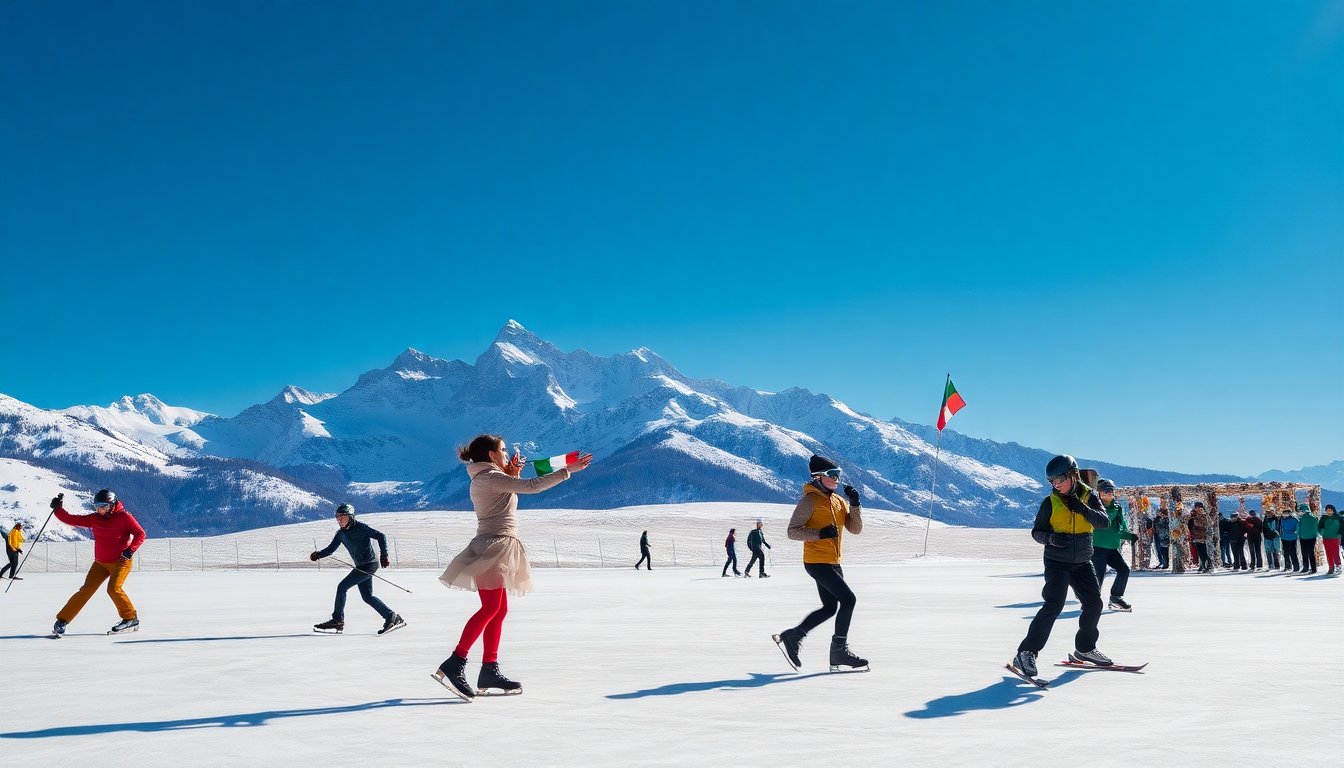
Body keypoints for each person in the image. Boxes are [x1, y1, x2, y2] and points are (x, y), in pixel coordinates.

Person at [433, 434, 592, 701]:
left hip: (499, 546)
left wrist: (512, 473)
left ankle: (489, 669)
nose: (507, 454)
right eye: (503, 450)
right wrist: (567, 470)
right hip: (493, 547)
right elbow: (532, 486)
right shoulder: (489, 477)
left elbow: (507, 494)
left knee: (498, 609)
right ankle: (455, 661)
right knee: (491, 608)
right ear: (491, 455)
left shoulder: (490, 477)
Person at [1010, 455, 1112, 679]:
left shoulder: (1089, 497)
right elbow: (1037, 532)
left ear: (1073, 475)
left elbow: (1104, 522)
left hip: (1082, 562)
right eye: (1052, 482)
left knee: (1094, 603)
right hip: (1057, 562)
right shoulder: (1049, 503)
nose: (1056, 485)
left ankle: (1085, 648)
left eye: (1060, 480)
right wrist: (1051, 539)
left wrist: (1081, 507)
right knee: (1054, 605)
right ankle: (1026, 652)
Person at [773, 454, 866, 671]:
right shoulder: (809, 502)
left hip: (833, 562)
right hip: (816, 562)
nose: (836, 479)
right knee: (849, 600)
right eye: (832, 475)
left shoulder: (838, 501)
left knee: (830, 607)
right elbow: (792, 531)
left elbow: (855, 529)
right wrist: (820, 534)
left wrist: (855, 504)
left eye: (838, 475)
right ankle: (839, 651)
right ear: (818, 477)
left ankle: (793, 636)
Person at [50, 490, 145, 636]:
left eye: (103, 506)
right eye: (97, 506)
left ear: (112, 505)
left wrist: (130, 550)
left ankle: (130, 618)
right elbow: (71, 519)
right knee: (86, 590)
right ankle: (62, 621)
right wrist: (58, 509)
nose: (100, 509)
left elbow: (140, 534)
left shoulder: (124, 517)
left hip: (121, 561)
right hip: (100, 563)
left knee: (113, 589)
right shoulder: (95, 518)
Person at [309, 504, 403, 635]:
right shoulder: (340, 534)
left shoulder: (361, 527)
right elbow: (330, 549)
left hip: (369, 565)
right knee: (367, 597)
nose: (340, 520)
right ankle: (391, 617)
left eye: (343, 516)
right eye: (337, 517)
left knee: (342, 587)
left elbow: (380, 536)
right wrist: (318, 555)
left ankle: (337, 620)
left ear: (351, 517)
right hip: (361, 566)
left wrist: (384, 555)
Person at [1090, 479, 1132, 609]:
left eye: (1111, 490)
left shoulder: (1117, 507)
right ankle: (1090, 601)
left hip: (1112, 547)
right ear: (1099, 493)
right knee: (1099, 574)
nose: (1109, 493)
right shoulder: (1095, 507)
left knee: (1124, 569)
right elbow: (1105, 520)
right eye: (1106, 490)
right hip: (1098, 546)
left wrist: (1125, 535)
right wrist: (1113, 509)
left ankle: (1116, 597)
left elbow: (1122, 523)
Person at [1188, 502, 1211, 574]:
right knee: (1200, 553)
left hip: (1204, 537)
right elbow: (1188, 523)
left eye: (1199, 507)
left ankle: (1207, 566)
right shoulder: (1193, 515)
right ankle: (1203, 566)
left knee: (1205, 553)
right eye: (1196, 507)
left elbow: (1202, 524)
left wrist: (1197, 516)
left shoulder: (1204, 515)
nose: (1197, 509)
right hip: (1196, 537)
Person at [1318, 505, 1341, 575]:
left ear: (1333, 510)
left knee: (1335, 553)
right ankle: (1331, 568)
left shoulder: (1338, 517)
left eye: (1330, 510)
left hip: (1335, 538)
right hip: (1326, 538)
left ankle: (1338, 567)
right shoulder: (1323, 518)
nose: (1329, 511)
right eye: (1327, 510)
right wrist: (1321, 531)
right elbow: (1319, 527)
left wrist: (1340, 533)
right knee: (1328, 553)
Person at [1296, 504, 1319, 575]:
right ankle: (1313, 568)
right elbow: (1316, 528)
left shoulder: (1300, 519)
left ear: (1304, 510)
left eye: (1300, 511)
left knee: (1304, 553)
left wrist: (1298, 535)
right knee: (1311, 553)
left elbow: (1298, 528)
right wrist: (1315, 535)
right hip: (1312, 538)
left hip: (1303, 538)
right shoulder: (1313, 518)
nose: (1299, 512)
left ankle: (1305, 568)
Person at [1280, 507, 1301, 572]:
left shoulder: (1294, 519)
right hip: (1284, 538)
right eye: (1284, 513)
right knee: (1285, 553)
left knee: (1293, 553)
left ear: (1289, 513)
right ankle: (1287, 566)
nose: (1284, 515)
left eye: (1286, 513)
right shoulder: (1282, 520)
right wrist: (1281, 534)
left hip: (1292, 538)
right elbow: (1280, 528)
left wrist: (1295, 533)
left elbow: (1297, 527)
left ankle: (1296, 567)